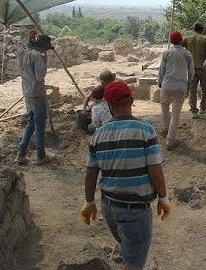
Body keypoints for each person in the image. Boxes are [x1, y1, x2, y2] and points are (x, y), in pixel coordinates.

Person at [80, 80, 171, 270]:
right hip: (135, 209)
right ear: (132, 100)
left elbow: (90, 174)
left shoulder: (98, 134)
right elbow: (155, 171)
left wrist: (89, 203)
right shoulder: (145, 130)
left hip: (109, 207)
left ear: (109, 106)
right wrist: (163, 197)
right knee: (134, 263)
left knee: (127, 247)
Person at [15, 33, 55, 166]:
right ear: (42, 47)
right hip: (37, 93)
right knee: (39, 125)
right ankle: (41, 156)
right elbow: (40, 76)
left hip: (26, 91)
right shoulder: (38, 56)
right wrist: (44, 61)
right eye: (46, 49)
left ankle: (21, 154)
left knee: (30, 122)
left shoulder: (22, 51)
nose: (46, 51)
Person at [158, 31, 195, 150]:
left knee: (164, 106)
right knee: (175, 114)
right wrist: (189, 82)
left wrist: (160, 81)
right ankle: (170, 140)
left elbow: (162, 70)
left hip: (167, 84)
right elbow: (191, 72)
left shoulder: (166, 53)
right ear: (181, 40)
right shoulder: (187, 54)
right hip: (180, 86)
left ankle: (166, 128)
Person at [183, 23, 206, 119]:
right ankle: (203, 107)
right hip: (202, 67)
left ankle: (193, 110)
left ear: (194, 30)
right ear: (202, 30)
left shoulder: (187, 39)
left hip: (191, 68)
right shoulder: (205, 39)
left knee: (192, 90)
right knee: (205, 89)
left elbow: (179, 45)